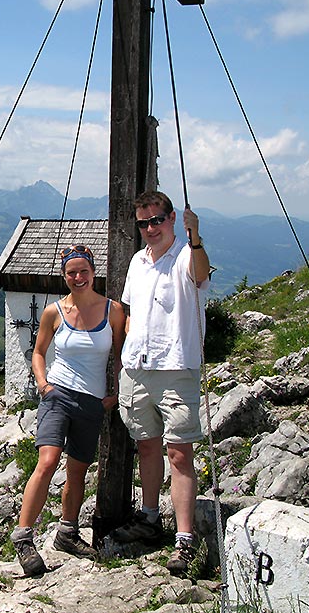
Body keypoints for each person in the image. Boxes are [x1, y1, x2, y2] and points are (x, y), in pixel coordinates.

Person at [110, 190, 211, 576]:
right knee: (147, 448)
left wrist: (196, 236)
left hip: (177, 368)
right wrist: (123, 358)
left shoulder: (186, 255)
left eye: (157, 219)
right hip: (137, 368)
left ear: (172, 219)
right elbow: (131, 311)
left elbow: (201, 274)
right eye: (144, 222)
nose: (151, 227)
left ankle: (184, 540)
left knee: (180, 454)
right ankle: (150, 518)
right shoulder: (137, 261)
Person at [11, 244, 125, 577]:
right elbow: (38, 351)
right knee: (47, 462)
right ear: (64, 275)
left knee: (77, 470)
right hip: (58, 395)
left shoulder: (113, 311)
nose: (78, 277)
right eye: (71, 272)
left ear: (93, 273)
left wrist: (116, 393)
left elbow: (119, 355)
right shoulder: (54, 312)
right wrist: (44, 384)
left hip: (92, 401)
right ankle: (23, 537)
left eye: (83, 271)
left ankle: (67, 532)